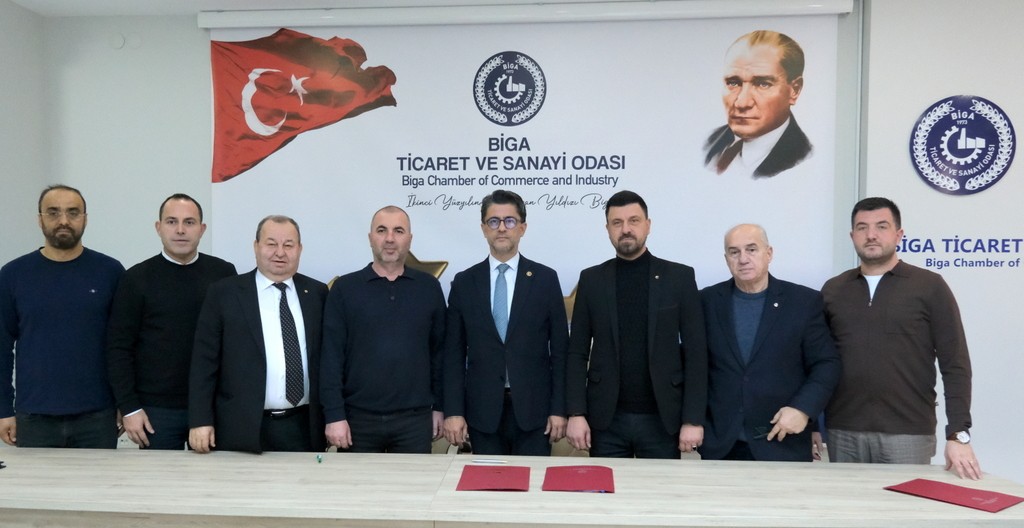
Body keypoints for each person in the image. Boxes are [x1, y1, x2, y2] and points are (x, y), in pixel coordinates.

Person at [822, 197, 981, 480]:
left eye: (881, 226)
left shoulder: (929, 286)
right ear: (852, 236)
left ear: (899, 234)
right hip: (843, 431)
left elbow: (955, 364)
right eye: (862, 228)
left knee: (906, 508)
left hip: (908, 433)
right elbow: (818, 363)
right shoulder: (833, 290)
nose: (871, 235)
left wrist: (958, 433)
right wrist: (814, 425)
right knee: (846, 507)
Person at [565, 190, 707, 458]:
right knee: (605, 486)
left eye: (634, 221)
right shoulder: (592, 280)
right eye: (617, 223)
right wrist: (576, 412)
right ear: (607, 229)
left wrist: (693, 419)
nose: (626, 229)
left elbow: (696, 353)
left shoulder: (679, 278)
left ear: (648, 225)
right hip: (605, 421)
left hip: (662, 420)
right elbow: (577, 352)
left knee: (658, 487)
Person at [443, 190, 569, 456]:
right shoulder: (465, 283)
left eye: (510, 221)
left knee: (533, 481)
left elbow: (560, 352)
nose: (501, 228)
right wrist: (454, 411)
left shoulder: (545, 280)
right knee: (487, 482)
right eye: (494, 221)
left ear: (522, 228)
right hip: (482, 414)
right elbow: (453, 354)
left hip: (535, 413)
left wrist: (559, 409)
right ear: (483, 228)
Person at [107, 194, 237, 450]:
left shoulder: (223, 275)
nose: (180, 230)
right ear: (159, 228)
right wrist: (129, 407)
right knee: (161, 477)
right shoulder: (136, 278)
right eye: (171, 221)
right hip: (156, 411)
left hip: (212, 406)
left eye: (189, 222)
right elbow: (118, 348)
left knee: (215, 475)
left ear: (202, 229)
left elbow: (235, 344)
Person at [700, 224, 840, 462]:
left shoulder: (803, 302)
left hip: (782, 442)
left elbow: (826, 364)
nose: (743, 259)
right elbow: (695, 365)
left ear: (769, 253)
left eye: (751, 249)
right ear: (726, 259)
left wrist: (804, 410)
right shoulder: (706, 301)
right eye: (734, 252)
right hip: (721, 445)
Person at [188, 215, 327, 453]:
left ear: (300, 249)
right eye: (271, 244)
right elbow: (204, 363)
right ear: (256, 246)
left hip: (304, 426)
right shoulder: (225, 294)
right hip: (242, 427)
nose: (280, 252)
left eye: (288, 245)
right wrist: (200, 420)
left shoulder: (317, 293)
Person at [0, 184, 124, 448]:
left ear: (85, 219)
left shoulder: (110, 272)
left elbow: (123, 346)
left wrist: (124, 403)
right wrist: (3, 409)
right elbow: (1, 348)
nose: (64, 220)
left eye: (73, 212)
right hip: (34, 417)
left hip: (98, 417)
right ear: (40, 219)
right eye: (53, 212)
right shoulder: (13, 275)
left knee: (99, 479)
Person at [321, 206, 446, 453]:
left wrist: (440, 407)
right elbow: (331, 358)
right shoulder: (345, 289)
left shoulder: (429, 288)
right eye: (382, 230)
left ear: (409, 239)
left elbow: (441, 354)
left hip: (415, 422)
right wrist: (334, 415)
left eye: (398, 231)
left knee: (416, 481)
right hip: (357, 421)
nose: (390, 238)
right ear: (370, 238)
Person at [704, 30, 811, 178]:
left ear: (795, 90)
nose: (742, 103)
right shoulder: (712, 141)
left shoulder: (804, 159)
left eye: (763, 84)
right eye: (733, 83)